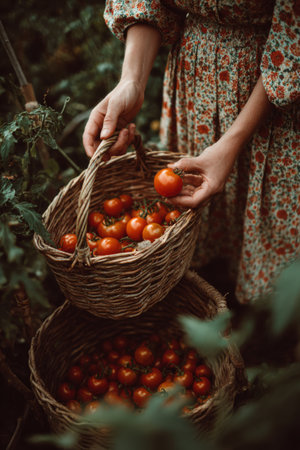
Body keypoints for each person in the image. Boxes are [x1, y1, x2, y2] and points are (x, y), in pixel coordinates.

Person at [83, 1, 299, 304]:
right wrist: (132, 80)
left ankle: (274, 319)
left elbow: (292, 42)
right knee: (200, 217)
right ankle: (215, 299)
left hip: (270, 96)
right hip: (193, 83)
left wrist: (230, 144)